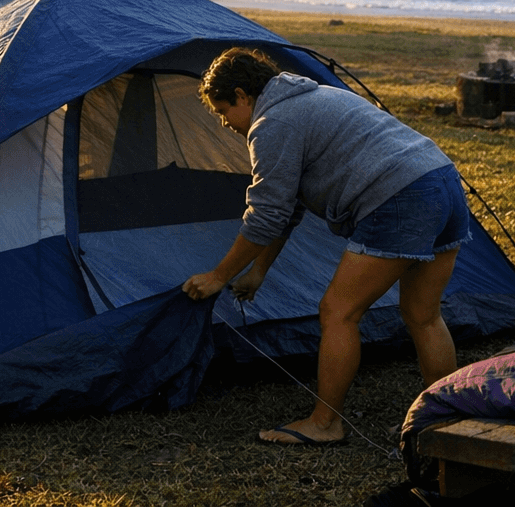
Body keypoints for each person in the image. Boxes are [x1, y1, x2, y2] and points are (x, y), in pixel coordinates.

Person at [182, 48, 470, 446]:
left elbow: (266, 213)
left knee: (338, 312)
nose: (224, 123)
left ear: (242, 96)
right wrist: (258, 271)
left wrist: (218, 276)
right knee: (423, 314)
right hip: (442, 181)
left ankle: (324, 424)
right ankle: (444, 417)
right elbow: (288, 208)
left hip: (400, 197)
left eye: (222, 111)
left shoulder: (272, 123)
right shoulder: (315, 96)